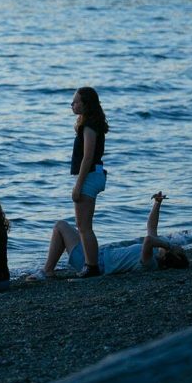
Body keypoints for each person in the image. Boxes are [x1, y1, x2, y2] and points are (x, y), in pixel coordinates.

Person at [33, 191, 189, 278]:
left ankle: (47, 270)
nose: (178, 247)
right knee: (69, 228)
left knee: (61, 226)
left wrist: (169, 245)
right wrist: (157, 204)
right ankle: (49, 270)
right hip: (97, 256)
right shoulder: (154, 253)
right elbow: (151, 228)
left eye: (178, 250)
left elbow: (149, 239)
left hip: (95, 265)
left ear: (170, 256)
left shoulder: (150, 264)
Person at [68, 87, 109, 278]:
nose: (72, 105)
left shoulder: (89, 126)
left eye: (76, 101)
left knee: (84, 226)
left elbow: (87, 157)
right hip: (95, 174)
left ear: (86, 104)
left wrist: (78, 186)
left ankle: (91, 266)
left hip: (90, 175)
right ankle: (90, 264)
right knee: (84, 225)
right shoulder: (91, 123)